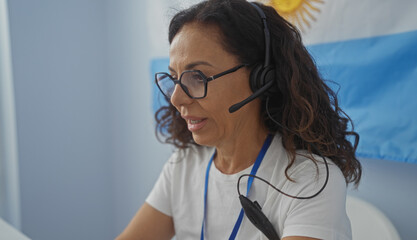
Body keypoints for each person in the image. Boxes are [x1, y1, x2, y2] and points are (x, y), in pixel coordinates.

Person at [116, 0, 362, 239]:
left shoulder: (311, 180)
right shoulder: (184, 164)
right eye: (175, 77)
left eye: (198, 77)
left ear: (259, 78)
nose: (177, 98)